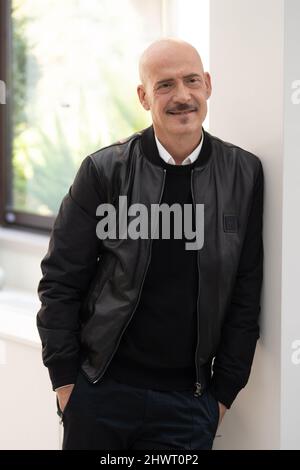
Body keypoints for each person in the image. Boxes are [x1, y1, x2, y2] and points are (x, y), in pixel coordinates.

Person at [37, 38, 264, 450]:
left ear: (208, 85)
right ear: (143, 96)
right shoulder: (104, 171)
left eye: (192, 81)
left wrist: (224, 395)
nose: (182, 96)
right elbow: (60, 281)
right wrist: (66, 383)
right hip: (100, 394)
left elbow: (246, 294)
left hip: (189, 405)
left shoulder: (243, 175)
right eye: (164, 85)